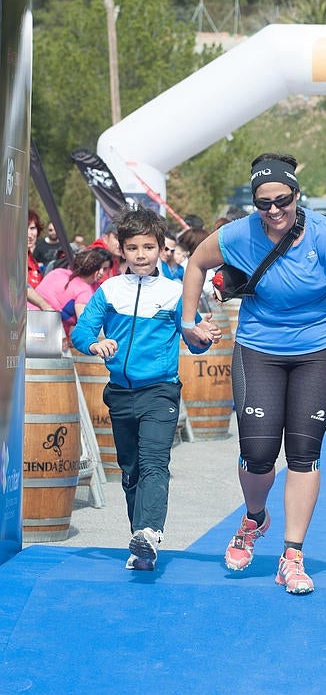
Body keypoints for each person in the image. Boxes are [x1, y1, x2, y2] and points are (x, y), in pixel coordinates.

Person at [181, 152, 326, 594]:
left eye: (283, 199)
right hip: (258, 348)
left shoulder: (323, 232)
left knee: (303, 452)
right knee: (257, 453)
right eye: (263, 203)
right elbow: (196, 263)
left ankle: (292, 555)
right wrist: (188, 320)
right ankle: (255, 517)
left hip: (319, 349)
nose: (274, 210)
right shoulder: (237, 234)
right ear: (254, 202)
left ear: (297, 194)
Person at [71, 206, 221, 572]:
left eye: (149, 247)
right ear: (121, 249)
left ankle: (150, 531)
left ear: (160, 249)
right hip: (120, 393)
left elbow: (194, 335)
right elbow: (81, 332)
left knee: (155, 463)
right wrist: (94, 345)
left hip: (160, 391)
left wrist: (204, 338)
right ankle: (141, 544)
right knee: (131, 470)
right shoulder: (110, 290)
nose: (141, 255)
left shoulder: (174, 292)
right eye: (134, 247)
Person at [28, 246, 112, 344]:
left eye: (105, 268)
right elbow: (85, 323)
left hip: (28, 320)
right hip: (45, 333)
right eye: (100, 268)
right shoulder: (85, 291)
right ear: (93, 266)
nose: (102, 272)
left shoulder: (58, 272)